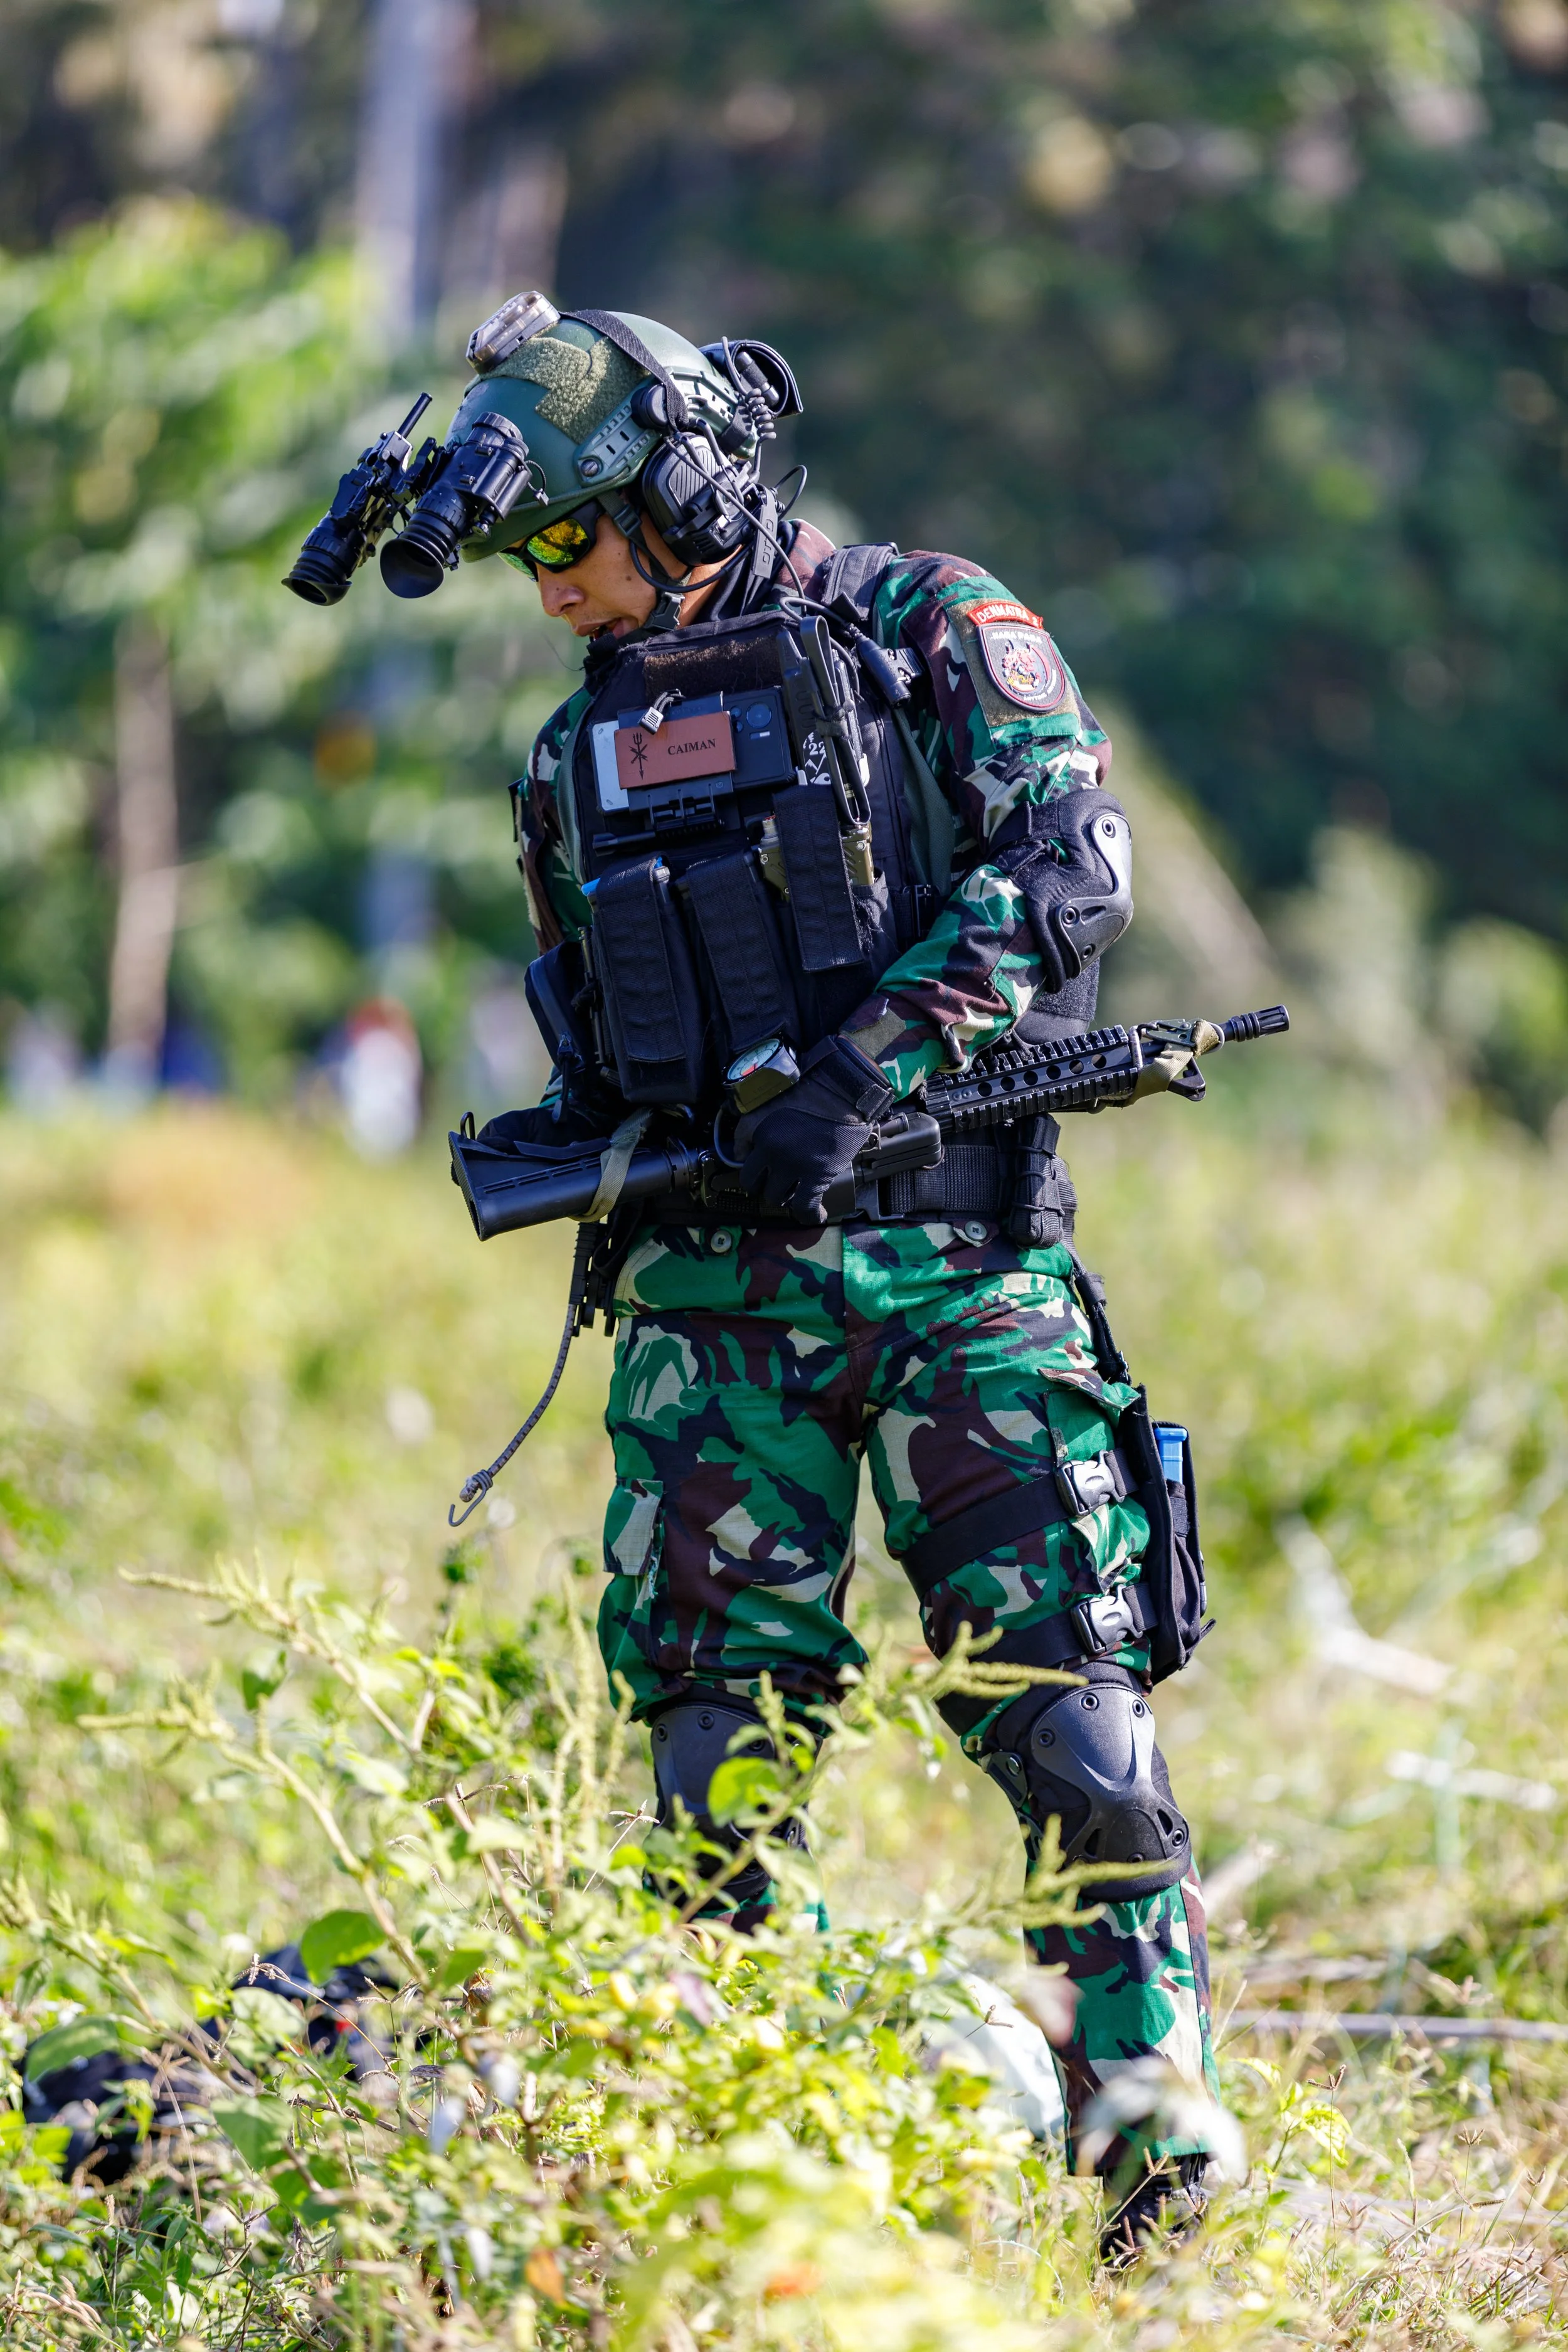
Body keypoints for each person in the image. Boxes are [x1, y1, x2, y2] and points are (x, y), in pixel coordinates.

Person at [445, 298, 1217, 2254]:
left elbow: (1067, 867)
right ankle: (760, 2168)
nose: (552, 586)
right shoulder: (576, 746)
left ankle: (1157, 2141)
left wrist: (863, 1071)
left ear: (688, 485)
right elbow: (598, 1019)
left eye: (569, 536)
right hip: (713, 1327)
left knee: (1078, 1734)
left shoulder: (922, 622)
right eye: (526, 555)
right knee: (715, 1773)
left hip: (962, 1282)